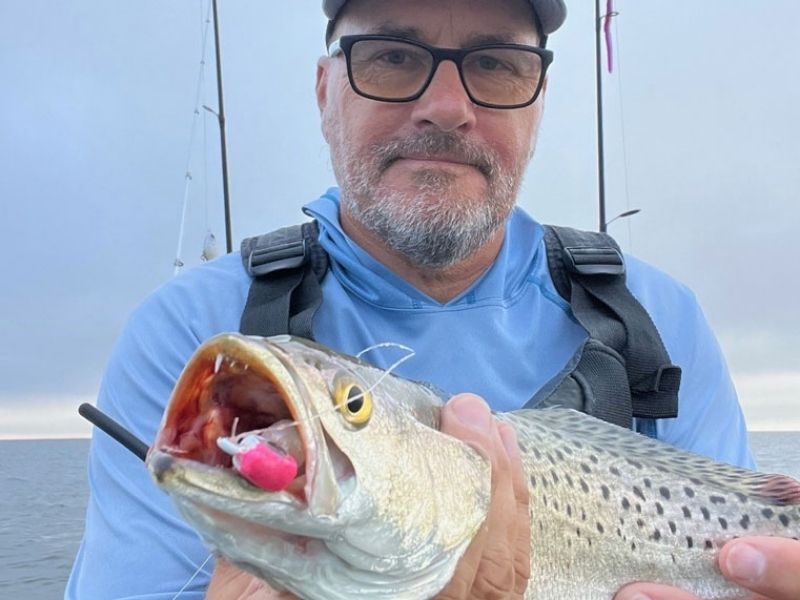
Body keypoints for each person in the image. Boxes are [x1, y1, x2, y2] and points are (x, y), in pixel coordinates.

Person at [66, 0, 800, 598]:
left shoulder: (661, 319)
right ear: (325, 93)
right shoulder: (191, 333)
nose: (446, 107)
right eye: (392, 55)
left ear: (538, 105)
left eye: (494, 64)